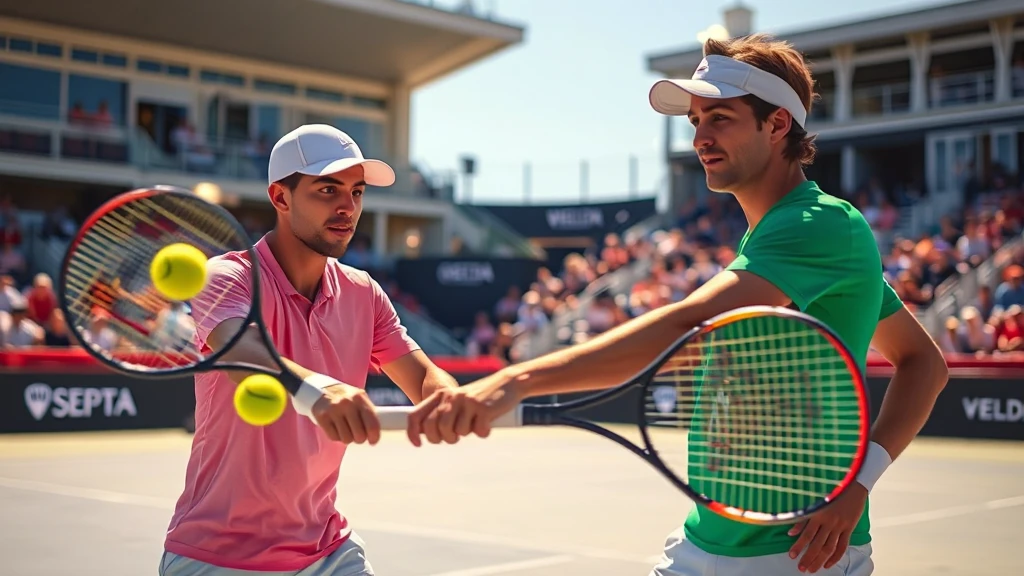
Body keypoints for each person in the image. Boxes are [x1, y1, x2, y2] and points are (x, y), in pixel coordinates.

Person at [406, 35, 950, 576]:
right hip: (706, 537)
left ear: (777, 124)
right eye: (695, 121)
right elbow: (925, 361)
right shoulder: (789, 237)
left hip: (796, 554)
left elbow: (692, 324)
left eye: (720, 118)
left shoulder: (820, 224)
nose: (700, 138)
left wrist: (515, 380)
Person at [161, 124, 460, 576]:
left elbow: (423, 378)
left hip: (328, 550)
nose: (348, 207)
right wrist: (321, 390)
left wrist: (449, 399)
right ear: (280, 198)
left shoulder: (364, 293)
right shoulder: (225, 277)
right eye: (328, 189)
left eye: (356, 192)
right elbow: (244, 355)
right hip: (217, 555)